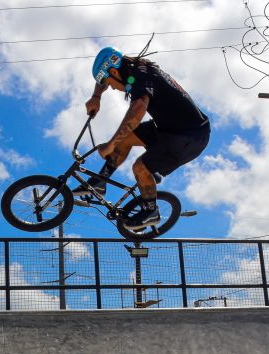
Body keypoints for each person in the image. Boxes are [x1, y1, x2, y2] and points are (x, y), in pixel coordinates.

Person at [74, 46, 211, 230]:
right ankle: (100, 182)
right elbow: (103, 81)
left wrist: (111, 144)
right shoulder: (131, 68)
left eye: (110, 82)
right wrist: (96, 97)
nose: (113, 87)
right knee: (127, 138)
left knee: (140, 167)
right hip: (170, 129)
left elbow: (137, 112)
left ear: (114, 71)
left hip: (189, 138)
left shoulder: (141, 78)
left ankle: (150, 212)